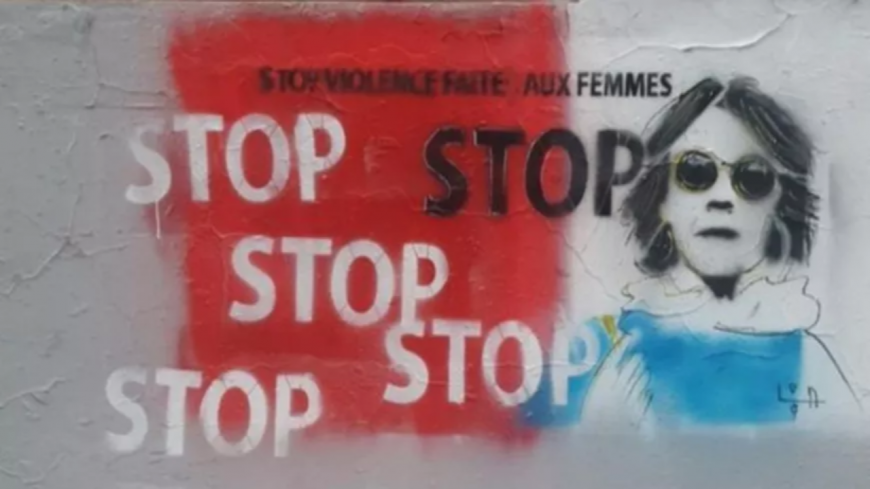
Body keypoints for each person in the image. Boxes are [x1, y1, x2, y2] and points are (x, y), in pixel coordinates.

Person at [579, 76, 859, 431]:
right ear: (662, 201)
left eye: (752, 178)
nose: (723, 198)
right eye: (695, 172)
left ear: (781, 206)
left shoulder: (809, 360)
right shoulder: (634, 361)